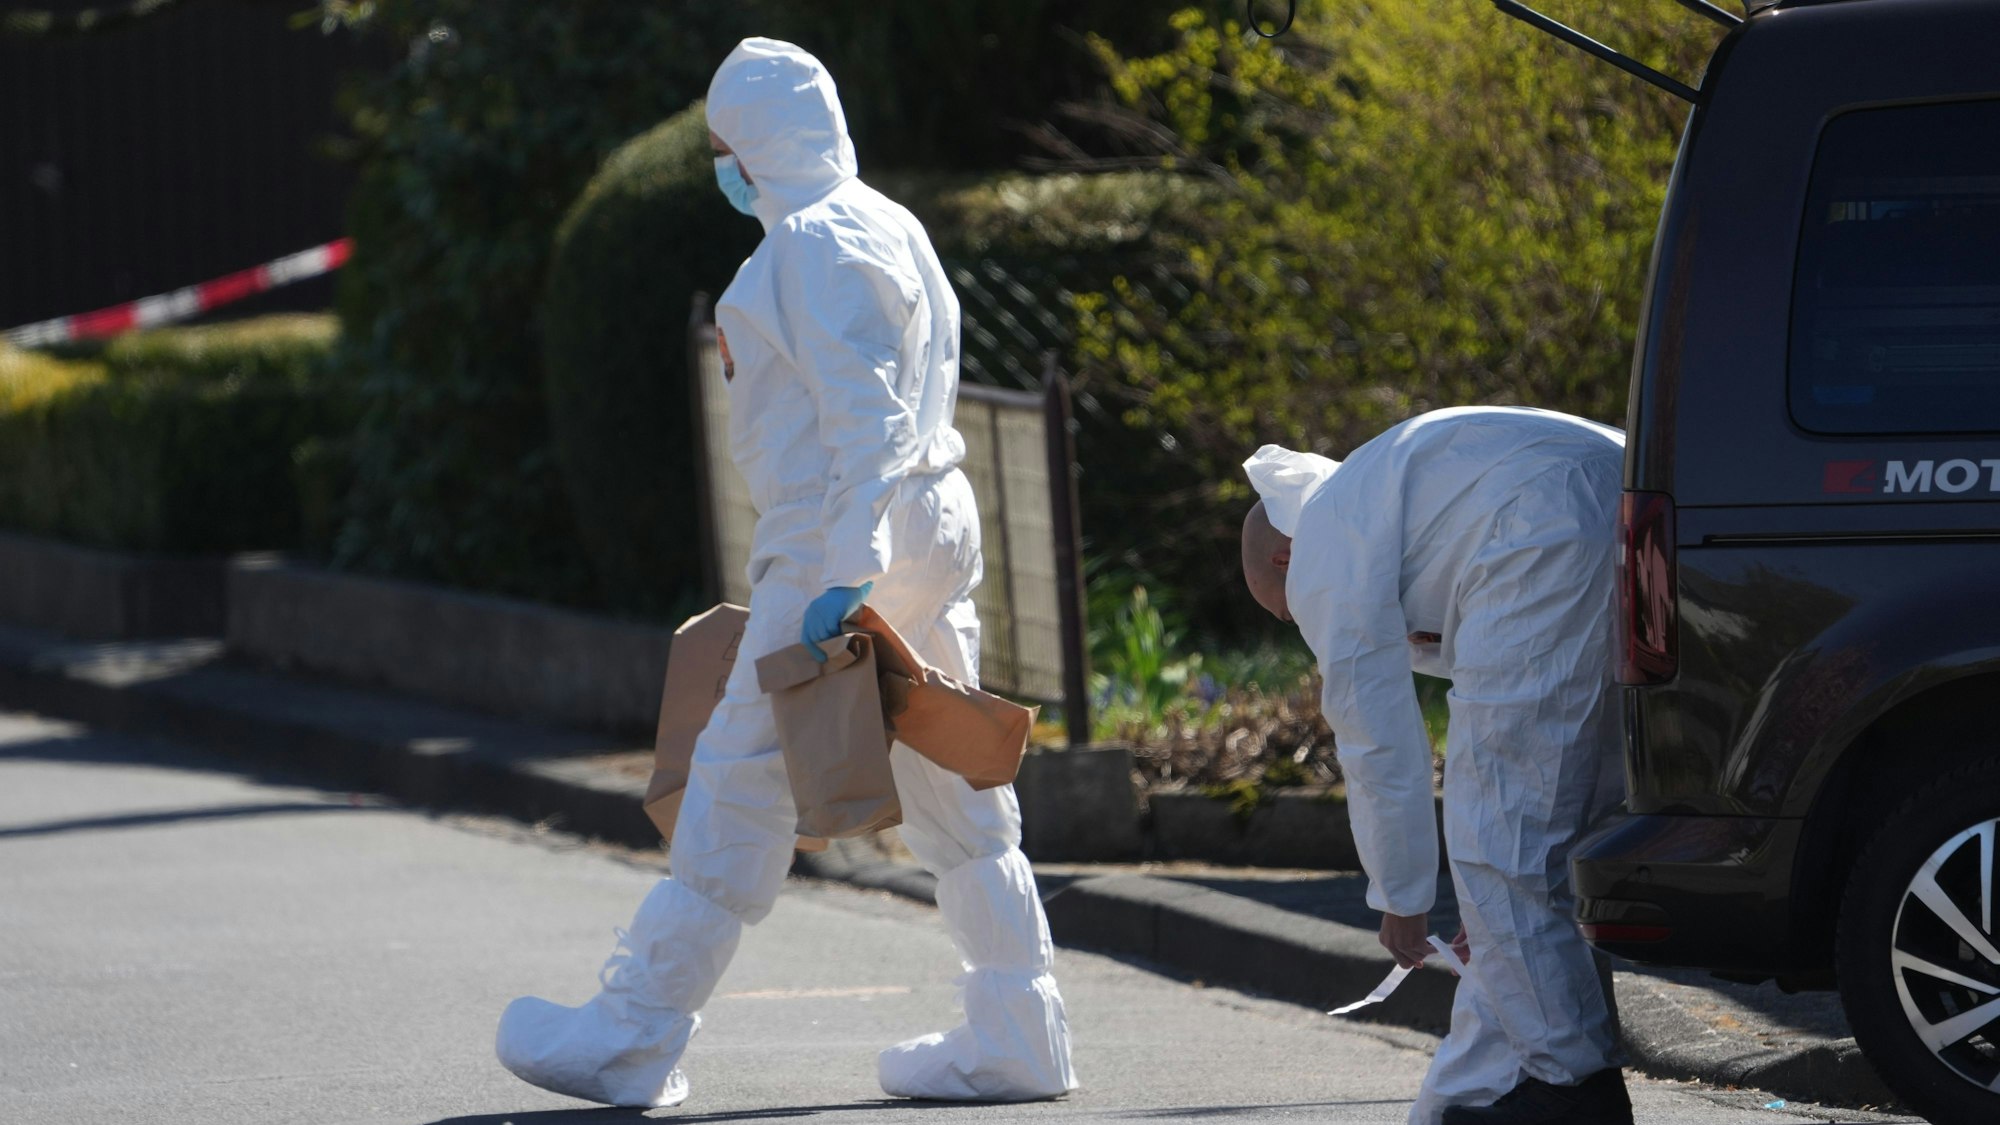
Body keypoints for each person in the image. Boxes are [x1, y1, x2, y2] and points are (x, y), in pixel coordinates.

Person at [493, 38, 1076, 1109]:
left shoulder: (809, 242)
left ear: (755, 144)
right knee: (952, 779)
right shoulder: (884, 219)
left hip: (838, 534)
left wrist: (845, 565)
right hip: (927, 521)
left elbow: (864, 415)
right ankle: (1019, 1032)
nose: (721, 166)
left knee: (738, 778)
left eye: (724, 145)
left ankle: (630, 1033)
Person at [1240, 406, 1630, 1125]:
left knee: (1499, 841)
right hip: (1630, 496)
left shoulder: (1324, 542)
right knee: (1565, 835)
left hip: (1540, 533)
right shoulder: (1385, 492)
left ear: (1285, 563)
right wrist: (1485, 913)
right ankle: (1530, 1081)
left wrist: (1402, 899)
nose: (1303, 625)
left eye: (1290, 615)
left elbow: (1377, 737)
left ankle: (1572, 1092)